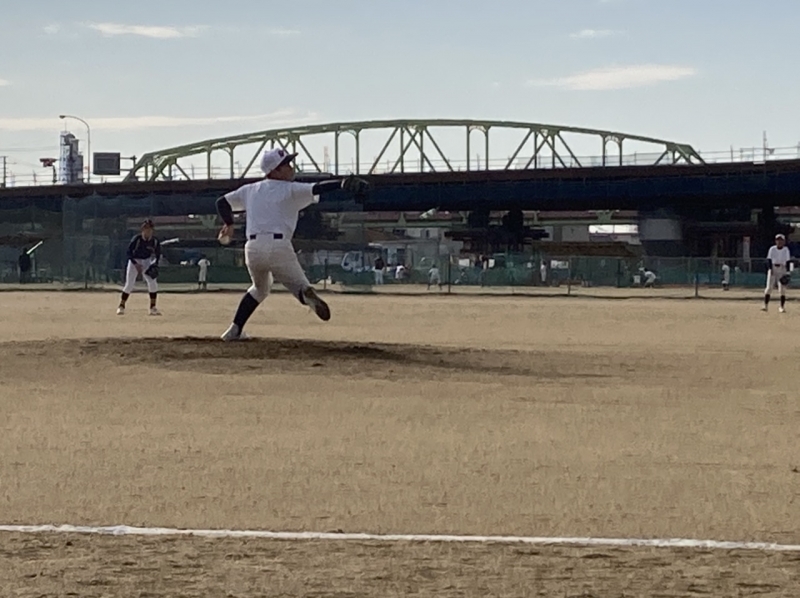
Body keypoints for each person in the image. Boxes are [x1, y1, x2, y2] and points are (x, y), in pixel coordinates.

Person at [215, 148, 368, 341]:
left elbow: (221, 202)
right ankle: (306, 294)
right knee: (301, 288)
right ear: (274, 171)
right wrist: (341, 183)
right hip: (279, 248)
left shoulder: (249, 190)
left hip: (253, 249)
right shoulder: (290, 189)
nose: (290, 167)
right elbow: (317, 188)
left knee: (259, 289)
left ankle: (234, 330)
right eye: (285, 164)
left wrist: (229, 224)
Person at [117, 219, 161, 316]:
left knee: (153, 283)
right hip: (134, 260)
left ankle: (153, 307)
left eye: (149, 228)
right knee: (129, 284)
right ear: (142, 230)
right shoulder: (137, 239)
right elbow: (128, 253)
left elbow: (158, 254)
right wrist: (135, 264)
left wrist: (155, 264)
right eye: (146, 228)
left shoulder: (154, 241)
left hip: (146, 261)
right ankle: (121, 306)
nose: (147, 230)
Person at [762, 233, 793, 313]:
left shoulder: (786, 250)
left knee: (782, 289)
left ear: (784, 241)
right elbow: (769, 260)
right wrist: (770, 269)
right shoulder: (772, 249)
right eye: (778, 240)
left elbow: (788, 261)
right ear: (775, 241)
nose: (779, 242)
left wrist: (788, 272)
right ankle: (765, 305)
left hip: (782, 268)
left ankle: (781, 307)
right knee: (769, 288)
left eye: (781, 240)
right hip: (773, 268)